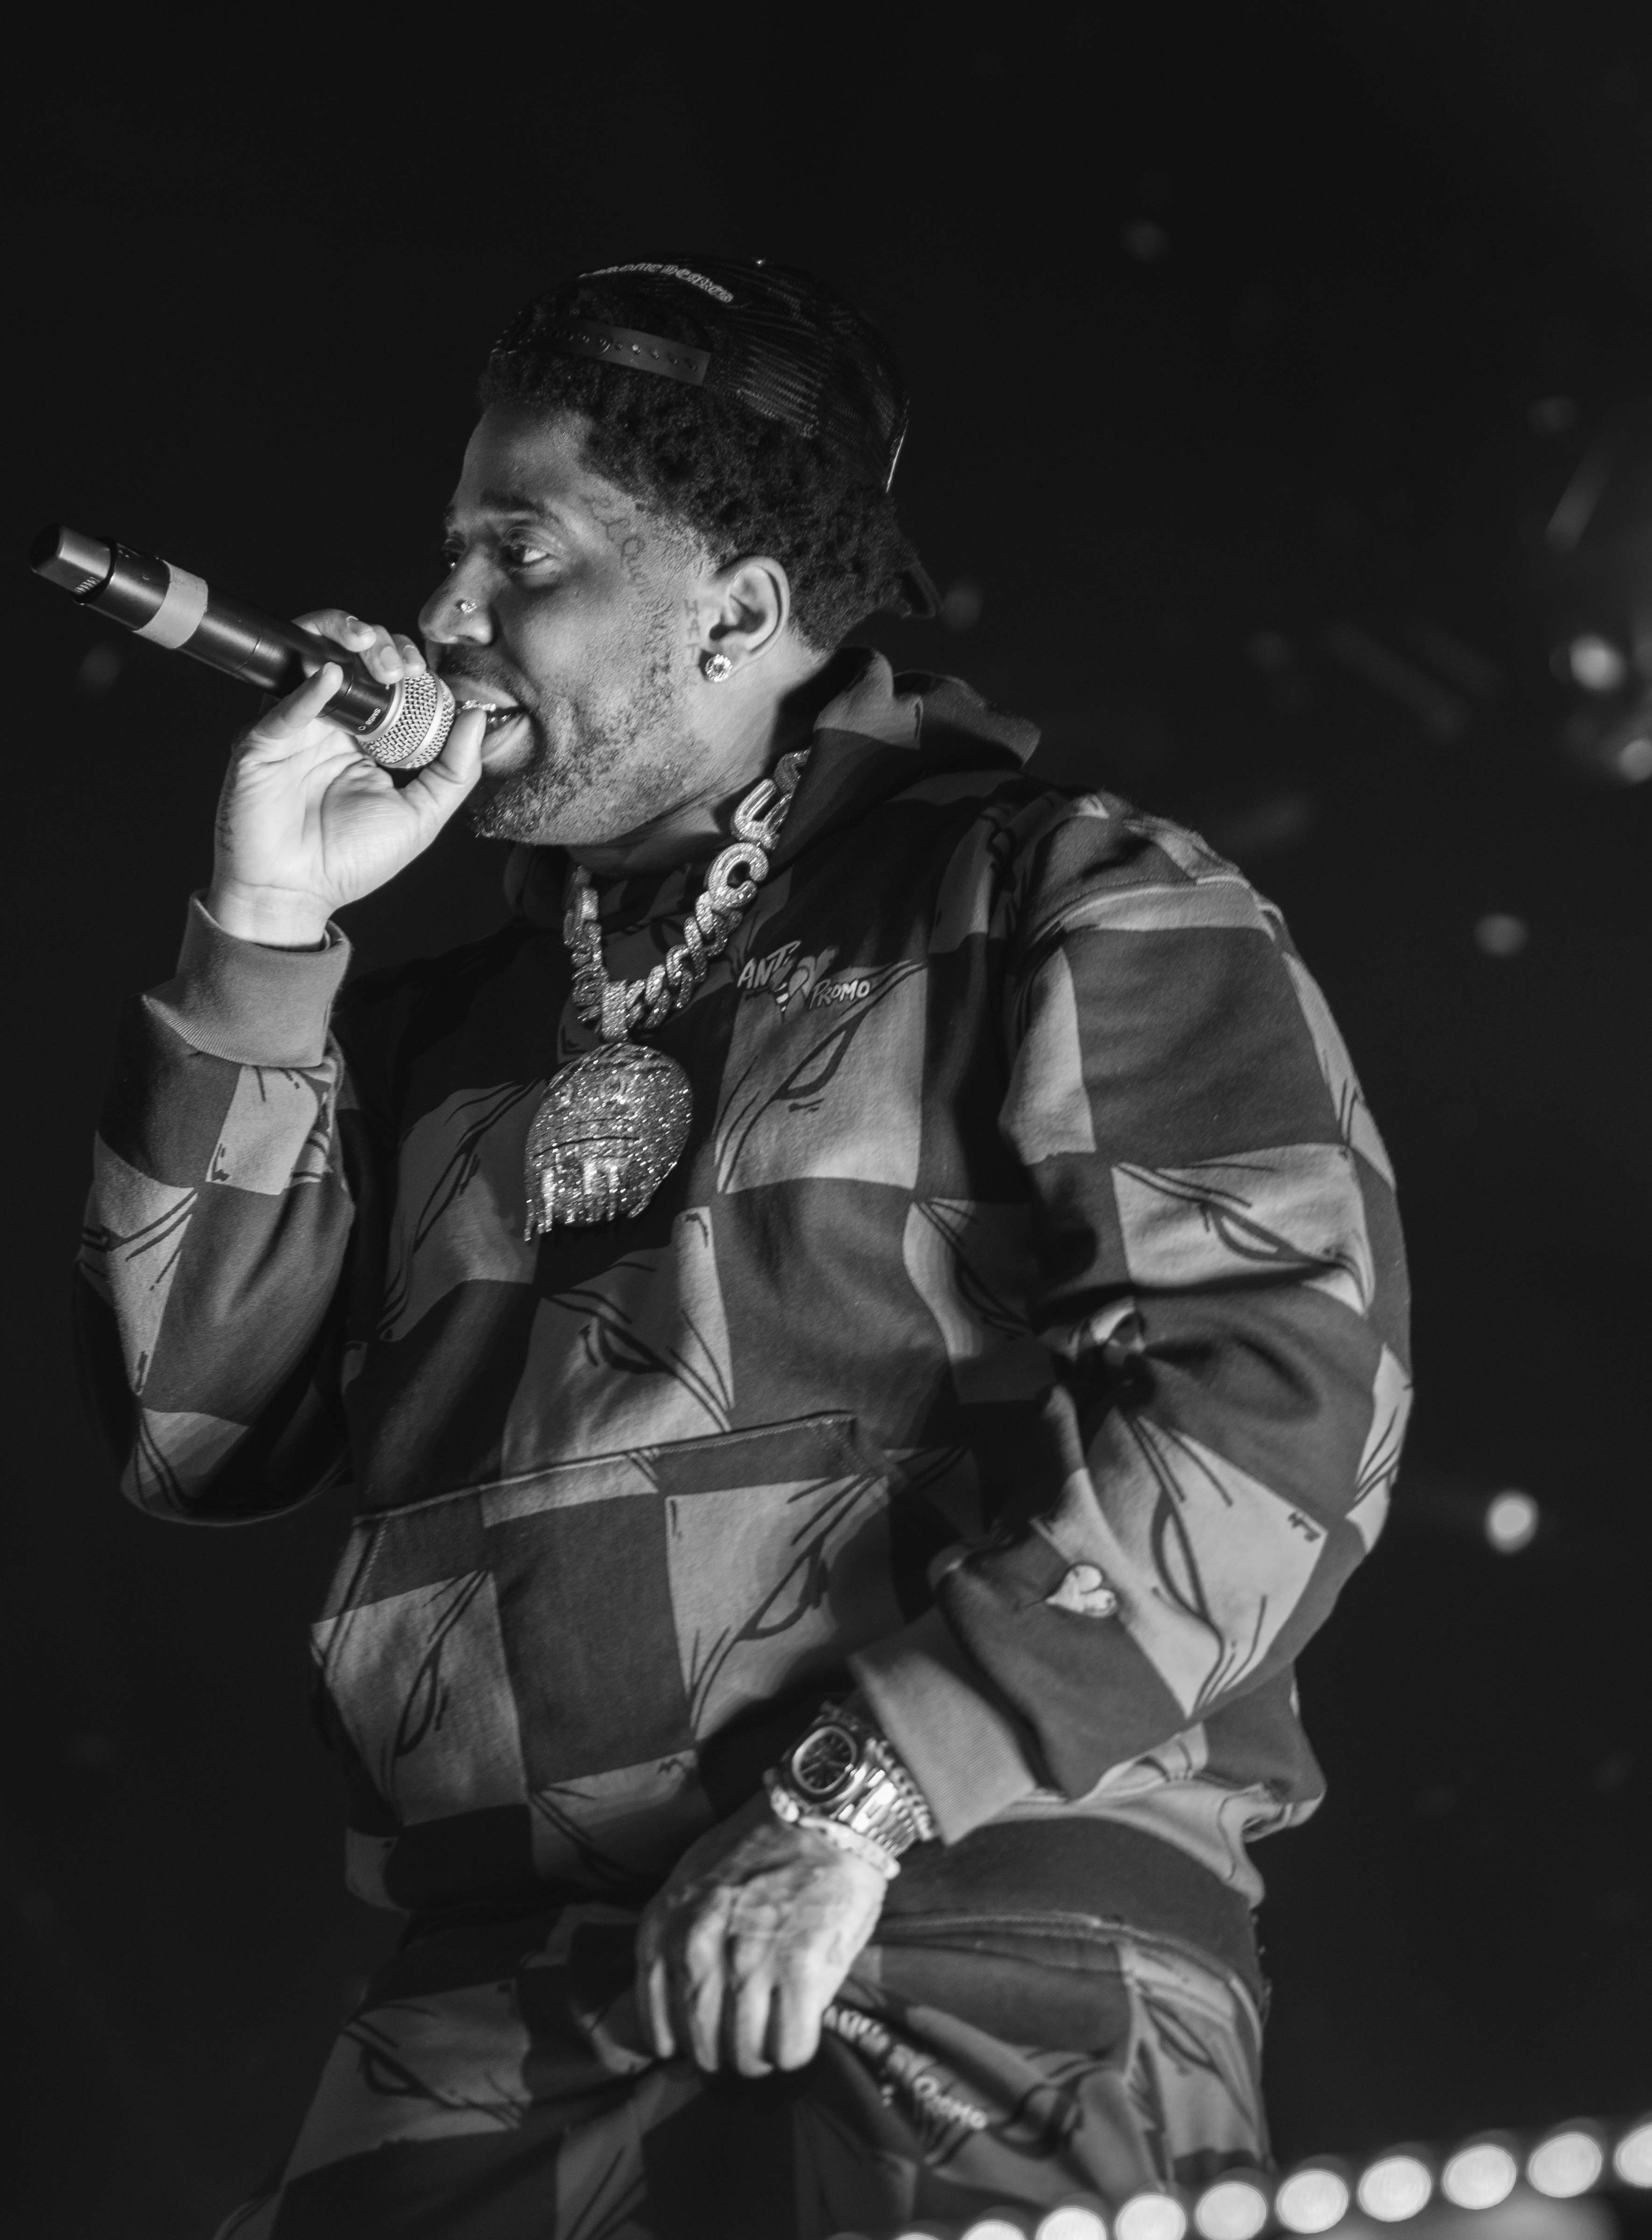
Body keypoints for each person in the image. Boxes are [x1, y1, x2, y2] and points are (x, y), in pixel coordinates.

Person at [77, 256, 1410, 2240]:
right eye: (452, 551)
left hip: (972, 1920)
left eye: (517, 553)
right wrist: (266, 935)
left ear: (739, 610)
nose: (445, 618)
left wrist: (854, 1801)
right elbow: (189, 1428)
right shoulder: (442, 1025)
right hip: (499, 1995)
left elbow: (1278, 1408)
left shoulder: (1060, 896)